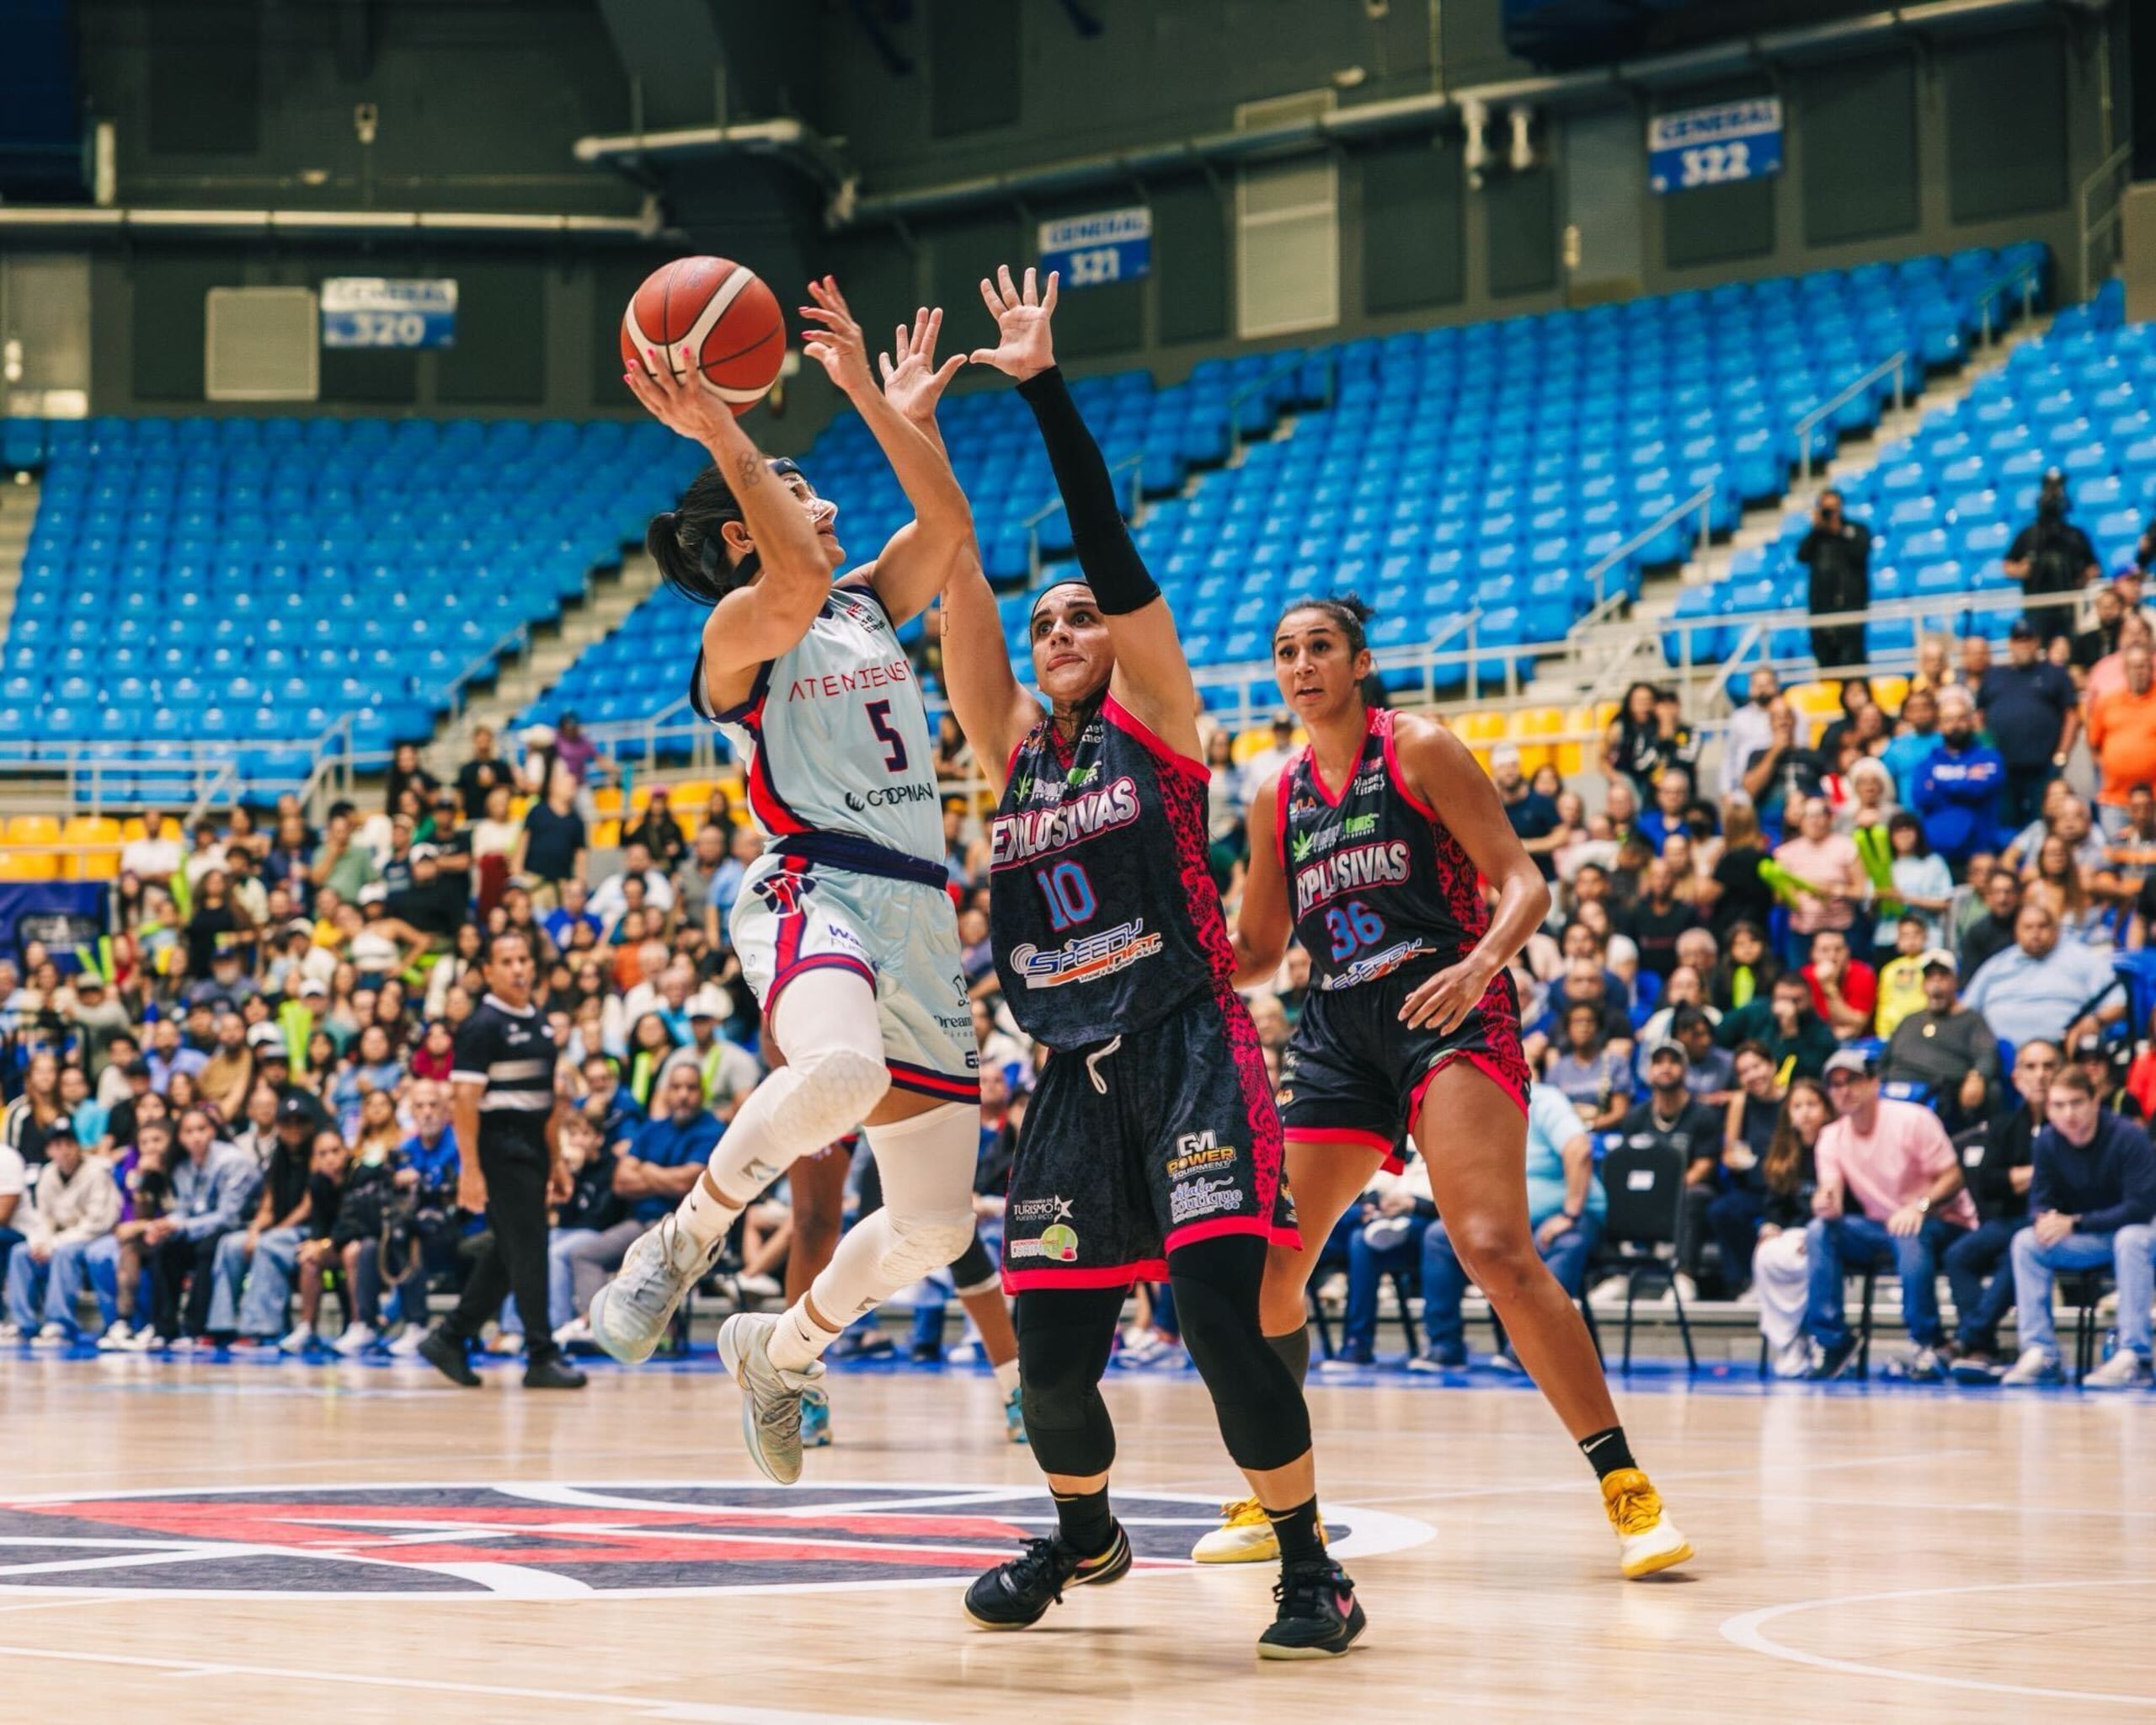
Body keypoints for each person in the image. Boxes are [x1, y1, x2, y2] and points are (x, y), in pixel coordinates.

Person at [939, 268, 1370, 1656]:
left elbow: (1108, 550)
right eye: (1044, 620)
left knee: (1221, 1314)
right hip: (1071, 1073)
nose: (1063, 631)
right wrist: (915, 434)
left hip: (1190, 1046)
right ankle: (1085, 1534)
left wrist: (1042, 387)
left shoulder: (1161, 722)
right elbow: (952, 566)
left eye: (1081, 620)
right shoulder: (1009, 746)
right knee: (1051, 1365)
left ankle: (1312, 1567)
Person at [590, 289, 985, 1506]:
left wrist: (877, 396)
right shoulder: (736, 630)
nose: (817, 492)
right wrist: (719, 430)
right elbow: (799, 576)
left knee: (934, 1228)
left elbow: (950, 523)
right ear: (740, 538)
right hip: (814, 884)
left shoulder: (864, 599)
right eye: (788, 483)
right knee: (842, 1075)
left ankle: (779, 1350)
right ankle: (684, 1242)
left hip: (922, 910)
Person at [413, 930, 586, 1390]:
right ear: (488, 972)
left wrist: (557, 1162)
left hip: (532, 1146)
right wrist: (471, 1169)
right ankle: (541, 1354)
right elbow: (464, 1102)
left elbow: (548, 1102)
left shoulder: (542, 1023)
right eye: (506, 961)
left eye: (524, 959)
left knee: (509, 1252)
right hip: (500, 1148)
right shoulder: (481, 1026)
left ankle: (450, 1337)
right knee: (528, 1248)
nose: (518, 968)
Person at [1803, 1049, 1976, 1381]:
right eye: (1835, 1085)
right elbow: (1832, 1195)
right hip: (1881, 1225)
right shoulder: (1830, 1137)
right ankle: (1833, 1341)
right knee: (1818, 1231)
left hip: (1945, 1221)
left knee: (1906, 1230)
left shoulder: (1912, 1119)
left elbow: (1953, 1177)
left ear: (1873, 1083)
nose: (1844, 1091)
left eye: (1851, 1081)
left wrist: (1920, 1206)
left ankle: (1927, 1341)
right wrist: (1825, 1204)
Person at [1415, 1084, 1602, 1372]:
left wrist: (1569, 1213)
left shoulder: (1543, 1099)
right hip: (1510, 1217)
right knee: (1439, 1236)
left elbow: (1580, 1151)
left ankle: (1529, 1350)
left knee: (1564, 1243)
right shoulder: (1478, 1108)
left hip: (1566, 1213)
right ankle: (1445, 1346)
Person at [1999, 1065, 2156, 1388]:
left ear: (2094, 1100)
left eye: (2076, 1103)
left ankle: (2134, 1355)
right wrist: (2045, 1220)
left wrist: (2074, 1222)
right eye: (2058, 1105)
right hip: (2090, 1237)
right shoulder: (2046, 1142)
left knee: (2130, 1239)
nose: (2068, 1113)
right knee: (2027, 1242)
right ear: (2048, 1108)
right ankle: (2041, 1353)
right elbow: (2039, 1199)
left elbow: (2140, 1208)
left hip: (2139, 1234)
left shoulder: (2128, 1137)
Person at [1942, 1039, 2052, 1385]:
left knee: (2015, 1255)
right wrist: (2034, 1173)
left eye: (2049, 1066)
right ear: (2016, 1077)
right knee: (1958, 1255)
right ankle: (1983, 1345)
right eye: (2031, 1068)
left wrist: (2017, 1177)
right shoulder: (2004, 1125)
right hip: (2008, 1218)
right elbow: (1987, 1182)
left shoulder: (2070, 1123)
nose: (2041, 1076)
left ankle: (1970, 1340)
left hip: (2050, 1221)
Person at [0, 1121, 119, 1344]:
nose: (63, 1150)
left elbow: (96, 1223)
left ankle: (59, 1324)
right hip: (60, 1237)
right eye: (56, 1145)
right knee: (21, 1253)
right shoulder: (48, 1174)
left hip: (94, 1237)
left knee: (64, 1253)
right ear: (48, 1150)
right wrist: (40, 1243)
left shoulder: (97, 1172)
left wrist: (53, 1244)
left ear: (77, 1146)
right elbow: (43, 1219)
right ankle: (23, 1325)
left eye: (68, 1143)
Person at [1751, 1077, 1833, 1377]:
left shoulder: (1838, 1145)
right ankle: (1786, 1342)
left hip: (1825, 1230)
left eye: (1812, 1104)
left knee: (1810, 1252)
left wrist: (1817, 1230)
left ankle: (1814, 1336)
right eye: (1797, 1106)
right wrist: (1770, 1226)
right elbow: (1775, 1203)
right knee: (1766, 1255)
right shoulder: (1784, 1152)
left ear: (1826, 1109)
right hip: (1791, 1232)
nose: (1805, 1113)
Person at [1962, 901, 2121, 1051]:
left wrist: (2096, 1020)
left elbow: (2118, 1002)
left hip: (2064, 1053)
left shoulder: (2081, 958)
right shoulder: (1996, 965)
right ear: (2016, 932)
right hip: (1999, 1057)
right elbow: (1965, 1010)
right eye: (2028, 927)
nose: (2035, 934)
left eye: (2042, 926)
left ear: (2055, 930)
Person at [1977, 620, 2078, 830]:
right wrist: (1986, 749)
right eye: (2018, 640)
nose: (2023, 645)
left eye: (2028, 640)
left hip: (2042, 767)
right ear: (2010, 644)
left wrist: (2062, 753)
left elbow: (2071, 715)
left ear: (2037, 643)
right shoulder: (1994, 675)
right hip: (2004, 768)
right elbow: (1979, 715)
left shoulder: (2054, 673)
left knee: (2042, 825)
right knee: (2006, 825)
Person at [1880, 949, 1999, 1127]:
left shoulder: (1971, 1019)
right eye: (1930, 978)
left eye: (1942, 977)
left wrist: (1977, 1077)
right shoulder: (1910, 1020)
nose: (1936, 985)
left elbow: (1986, 1054)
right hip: (1895, 1094)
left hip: (1941, 1095)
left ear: (1955, 982)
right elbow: (1883, 1061)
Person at [2004, 467, 2100, 648]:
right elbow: (2007, 566)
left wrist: (2083, 579)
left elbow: (2094, 567)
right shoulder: (2029, 535)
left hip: (2070, 606)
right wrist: (2022, 570)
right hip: (2038, 607)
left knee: (2073, 650)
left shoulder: (2075, 536)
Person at [1913, 687, 2005, 872]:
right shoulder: (1927, 763)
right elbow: (1921, 797)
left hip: (1980, 854)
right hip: (1937, 857)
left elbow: (1981, 789)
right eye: (1948, 720)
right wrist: (1965, 780)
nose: (1955, 725)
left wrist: (1939, 783)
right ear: (1939, 725)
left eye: (1961, 718)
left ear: (1971, 721)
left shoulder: (1989, 757)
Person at [1798, 489, 1870, 671]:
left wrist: (1838, 531)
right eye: (1825, 509)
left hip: (1851, 611)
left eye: (1833, 508)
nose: (1830, 513)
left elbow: (1860, 552)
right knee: (1826, 668)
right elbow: (1801, 555)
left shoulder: (1856, 530)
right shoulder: (1816, 537)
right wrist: (1816, 529)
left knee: (1852, 664)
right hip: (1822, 613)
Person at [2088, 643, 2156, 832]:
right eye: (2134, 666)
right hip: (2115, 800)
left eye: (2143, 665)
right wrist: (2112, 770)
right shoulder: (2107, 702)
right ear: (2125, 670)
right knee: (2115, 856)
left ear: (2151, 668)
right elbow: (2094, 744)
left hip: (2153, 802)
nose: (2139, 671)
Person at [1720, 666, 1780, 803]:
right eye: (1757, 685)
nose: (1762, 689)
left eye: (1767, 684)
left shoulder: (1791, 716)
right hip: (1744, 790)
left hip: (1777, 785)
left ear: (1776, 686)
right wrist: (1726, 791)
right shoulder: (1739, 718)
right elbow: (1729, 756)